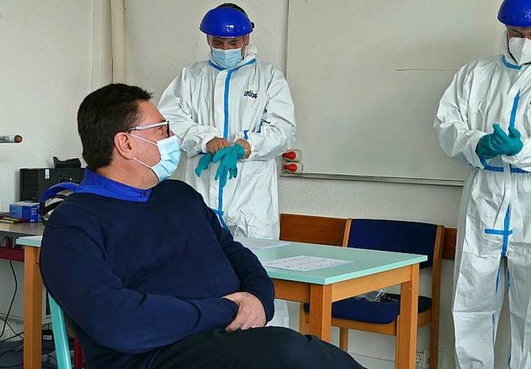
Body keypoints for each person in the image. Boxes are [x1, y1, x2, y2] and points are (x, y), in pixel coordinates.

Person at [39, 83, 362, 369]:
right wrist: (226, 309)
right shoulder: (74, 226)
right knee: (290, 353)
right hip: (154, 356)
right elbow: (116, 322)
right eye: (162, 130)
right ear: (126, 144)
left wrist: (256, 299)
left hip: (229, 340)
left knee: (297, 352)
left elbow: (236, 253)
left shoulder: (179, 196)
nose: (173, 138)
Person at [434, 0, 531, 368]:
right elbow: (446, 123)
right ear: (505, 30)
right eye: (516, 34)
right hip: (484, 193)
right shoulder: (475, 74)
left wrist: (523, 151)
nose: (524, 42)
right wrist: (477, 144)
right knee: (471, 302)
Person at [158, 3, 295, 326]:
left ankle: (269, 352)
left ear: (247, 38)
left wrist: (248, 145)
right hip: (201, 192)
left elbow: (283, 130)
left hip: (251, 197)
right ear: (208, 39)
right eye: (217, 43)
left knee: (260, 281)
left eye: (232, 43)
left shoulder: (268, 77)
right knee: (199, 280)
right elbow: (169, 120)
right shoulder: (190, 78)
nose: (225, 49)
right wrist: (204, 139)